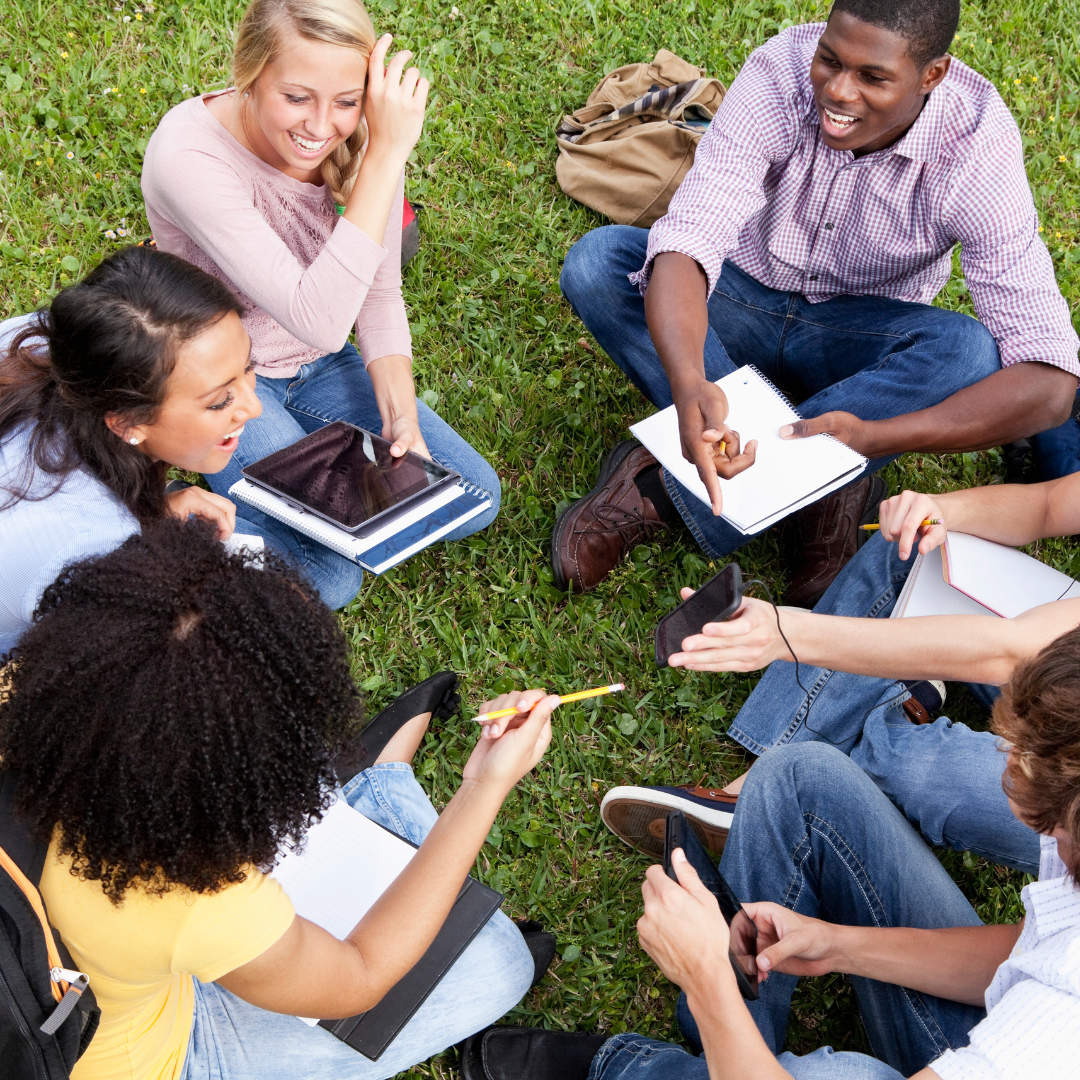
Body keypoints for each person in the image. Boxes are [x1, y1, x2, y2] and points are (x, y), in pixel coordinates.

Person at [554, 0, 1079, 603]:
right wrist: (689, 379)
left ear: (931, 75)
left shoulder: (975, 145)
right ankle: (821, 488)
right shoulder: (779, 70)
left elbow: (1050, 384)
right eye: (830, 60)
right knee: (602, 263)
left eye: (873, 77)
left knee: (966, 352)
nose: (838, 90)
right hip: (739, 299)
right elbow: (692, 233)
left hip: (854, 338)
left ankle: (665, 490)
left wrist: (875, 437)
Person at [0, 515, 556, 1080]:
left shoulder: (21, 689)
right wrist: (483, 786)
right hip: (130, 1054)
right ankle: (381, 782)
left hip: (59, 979)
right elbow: (360, 976)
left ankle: (381, 779)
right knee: (500, 963)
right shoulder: (187, 896)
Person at [461, 626, 1080, 1080]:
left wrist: (706, 977)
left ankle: (633, 1068)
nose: (1003, 764)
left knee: (840, 1076)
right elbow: (1031, 952)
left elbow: (1054, 978)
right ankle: (729, 1048)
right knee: (799, 780)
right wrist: (837, 944)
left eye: (1024, 765)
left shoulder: (1059, 1019)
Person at [141, 0, 500, 611]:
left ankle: (268, 493)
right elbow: (323, 320)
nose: (321, 125)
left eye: (346, 101)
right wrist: (385, 155)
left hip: (320, 366)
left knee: (474, 498)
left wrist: (402, 419)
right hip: (221, 383)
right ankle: (173, 511)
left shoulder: (367, 136)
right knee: (329, 579)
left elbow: (379, 293)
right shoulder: (188, 155)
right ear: (250, 76)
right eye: (296, 97)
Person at [0, 245, 267, 655]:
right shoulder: (92, 548)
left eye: (248, 367)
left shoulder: (41, 341)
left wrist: (154, 514)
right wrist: (145, 533)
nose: (254, 407)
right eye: (219, 401)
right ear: (127, 423)